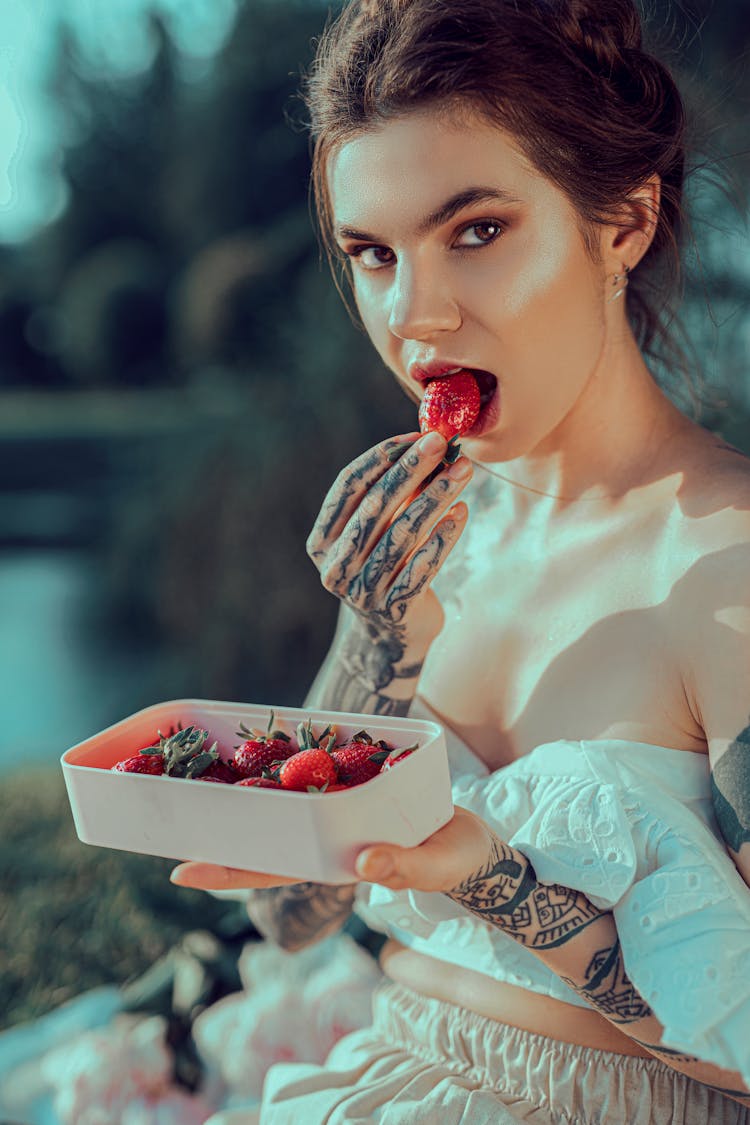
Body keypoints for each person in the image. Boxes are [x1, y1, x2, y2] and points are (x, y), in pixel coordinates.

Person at [170, 0, 750, 1120]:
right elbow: (295, 919)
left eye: (475, 231)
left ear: (624, 223)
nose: (414, 314)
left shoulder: (730, 565)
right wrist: (373, 643)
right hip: (374, 1070)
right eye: (374, 253)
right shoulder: (426, 543)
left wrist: (495, 880)